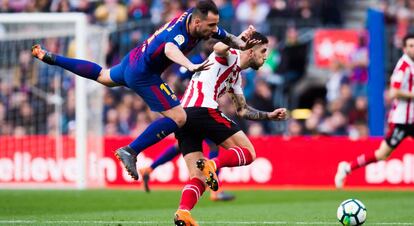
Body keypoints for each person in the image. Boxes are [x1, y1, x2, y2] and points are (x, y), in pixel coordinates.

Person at [31, 0, 254, 181]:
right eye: (211, 26)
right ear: (197, 23)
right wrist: (189, 65)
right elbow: (169, 48)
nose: (215, 30)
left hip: (133, 60)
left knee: (103, 76)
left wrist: (241, 43)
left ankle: (52, 58)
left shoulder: (194, 19)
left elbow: (222, 35)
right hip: (143, 73)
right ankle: (131, 150)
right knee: (179, 117)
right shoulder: (180, 35)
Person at [173, 29, 288, 226]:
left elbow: (242, 110)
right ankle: (213, 165)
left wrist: (269, 115)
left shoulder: (236, 76)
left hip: (183, 117)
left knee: (197, 176)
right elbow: (217, 48)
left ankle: (183, 212)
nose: (266, 56)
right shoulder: (231, 56)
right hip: (202, 109)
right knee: (249, 153)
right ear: (250, 51)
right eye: (263, 51)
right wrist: (239, 39)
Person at [335, 33, 414, 189]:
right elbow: (393, 92)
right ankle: (346, 168)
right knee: (382, 154)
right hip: (401, 121)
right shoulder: (403, 67)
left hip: (412, 119)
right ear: (404, 49)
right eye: (411, 46)